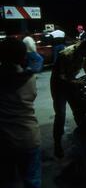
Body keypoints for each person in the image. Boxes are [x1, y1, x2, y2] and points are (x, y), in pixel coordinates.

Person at [0, 37, 42, 188]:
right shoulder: (29, 78)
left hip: (4, 141)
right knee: (32, 181)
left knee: (8, 182)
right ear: (23, 56)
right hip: (28, 137)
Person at [50, 38, 86, 158]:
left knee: (79, 111)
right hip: (58, 85)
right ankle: (57, 144)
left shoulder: (85, 55)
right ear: (83, 50)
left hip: (71, 82)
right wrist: (77, 83)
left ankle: (84, 138)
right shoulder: (66, 54)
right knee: (61, 115)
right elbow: (61, 77)